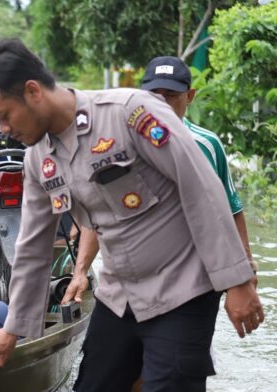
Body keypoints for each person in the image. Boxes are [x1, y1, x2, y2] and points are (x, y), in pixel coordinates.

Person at [0, 39, 263, 392]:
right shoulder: (38, 159)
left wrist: (239, 283)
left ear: (32, 91)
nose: (3, 128)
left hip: (183, 288)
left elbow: (202, 188)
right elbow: (31, 246)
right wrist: (13, 329)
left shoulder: (131, 112)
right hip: (119, 293)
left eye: (3, 115)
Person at [64, 55, 257, 305]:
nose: (162, 103)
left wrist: (246, 270)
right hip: (137, 272)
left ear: (190, 97)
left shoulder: (206, 145)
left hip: (195, 274)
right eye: (155, 94)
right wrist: (80, 271)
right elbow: (103, 212)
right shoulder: (114, 145)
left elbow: (230, 209)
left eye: (172, 95)